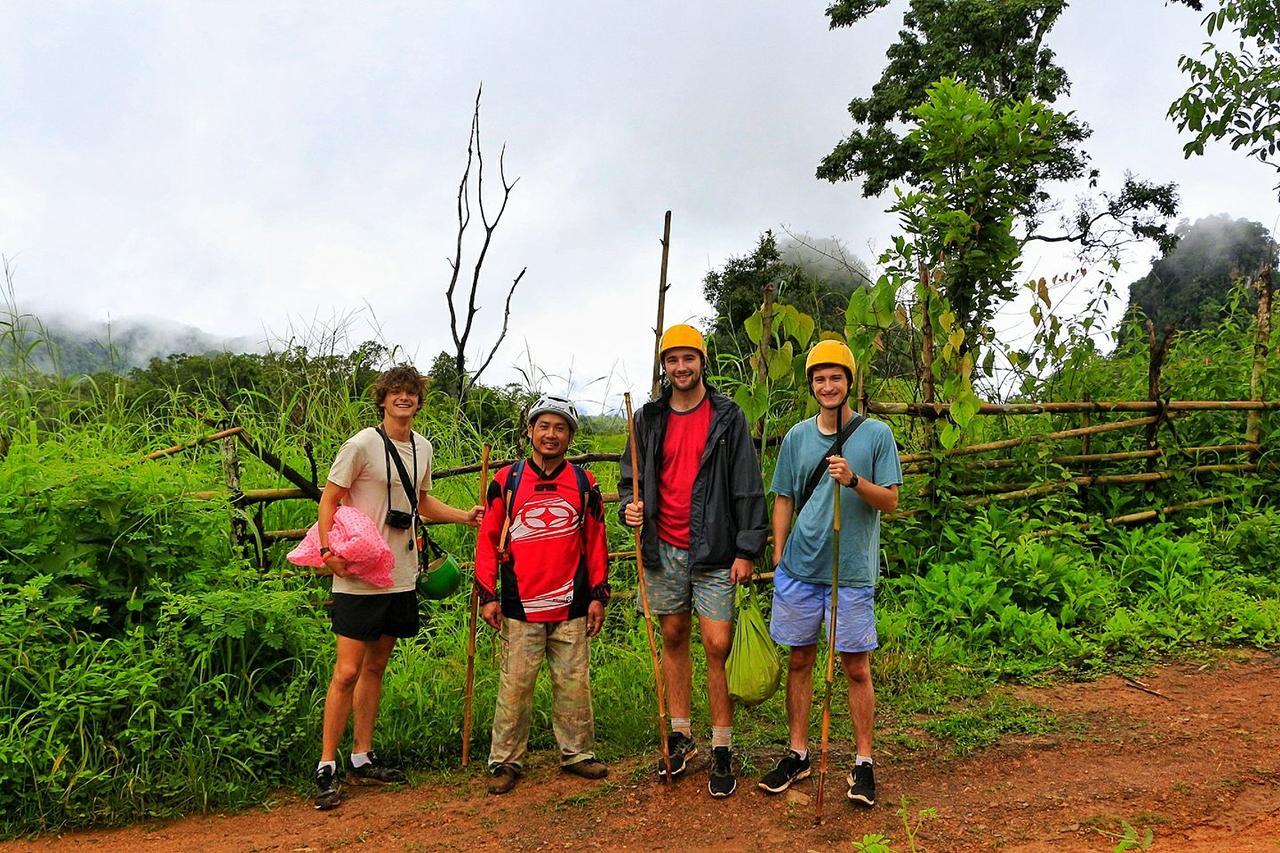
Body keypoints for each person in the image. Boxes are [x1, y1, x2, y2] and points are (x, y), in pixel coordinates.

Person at [313, 364, 483, 811]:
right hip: (356, 572)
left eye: (411, 393)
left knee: (375, 668)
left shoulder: (422, 448)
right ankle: (326, 765)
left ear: (418, 401)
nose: (404, 399)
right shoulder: (362, 444)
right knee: (346, 671)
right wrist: (329, 549)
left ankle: (361, 756)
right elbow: (329, 498)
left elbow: (421, 500)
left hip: (401, 573)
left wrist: (464, 516)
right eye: (397, 393)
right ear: (383, 398)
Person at [619, 323, 768, 798]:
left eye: (689, 358)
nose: (680, 367)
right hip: (663, 545)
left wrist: (748, 548)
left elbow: (747, 483)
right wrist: (630, 506)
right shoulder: (647, 418)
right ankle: (681, 733)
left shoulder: (727, 416)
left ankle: (722, 744)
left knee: (717, 642)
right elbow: (631, 477)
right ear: (663, 366)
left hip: (716, 548)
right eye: (672, 360)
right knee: (673, 633)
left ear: (704, 362)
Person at [756, 340, 901, 808]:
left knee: (855, 667)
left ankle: (863, 762)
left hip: (851, 571)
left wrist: (854, 481)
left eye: (836, 377)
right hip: (800, 567)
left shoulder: (876, 434)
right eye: (819, 378)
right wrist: (779, 553)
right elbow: (782, 497)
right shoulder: (798, 437)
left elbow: (891, 501)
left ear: (849, 382)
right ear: (811, 385)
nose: (827, 385)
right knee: (800, 660)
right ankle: (798, 752)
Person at [475, 395, 611, 795]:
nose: (551, 435)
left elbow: (595, 540)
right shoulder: (507, 481)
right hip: (519, 605)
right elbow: (487, 539)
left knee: (573, 682)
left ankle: (577, 754)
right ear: (530, 431)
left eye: (560, 428)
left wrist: (598, 595)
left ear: (570, 436)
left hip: (571, 604)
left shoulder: (585, 483)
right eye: (544, 426)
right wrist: (487, 594)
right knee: (514, 684)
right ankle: (504, 760)